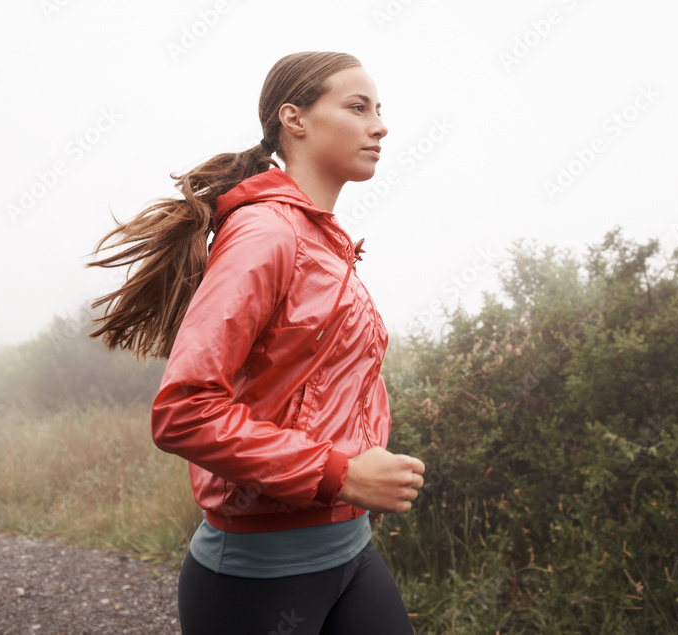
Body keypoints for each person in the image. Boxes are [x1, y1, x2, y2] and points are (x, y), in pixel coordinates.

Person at [88, 51, 425, 634]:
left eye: (380, 110)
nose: (381, 125)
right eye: (357, 106)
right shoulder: (266, 233)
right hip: (260, 576)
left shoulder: (322, 240)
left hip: (350, 552)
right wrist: (340, 474)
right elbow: (183, 412)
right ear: (294, 119)